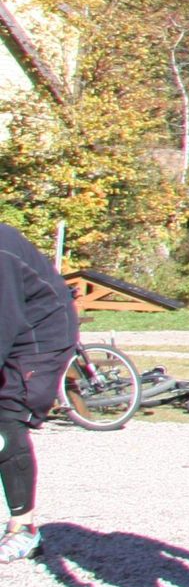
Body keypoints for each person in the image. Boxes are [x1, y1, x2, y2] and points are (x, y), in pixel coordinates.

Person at [0, 222, 78, 563]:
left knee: (6, 417)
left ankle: (24, 529)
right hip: (16, 327)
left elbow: (5, 320)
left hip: (39, 337)